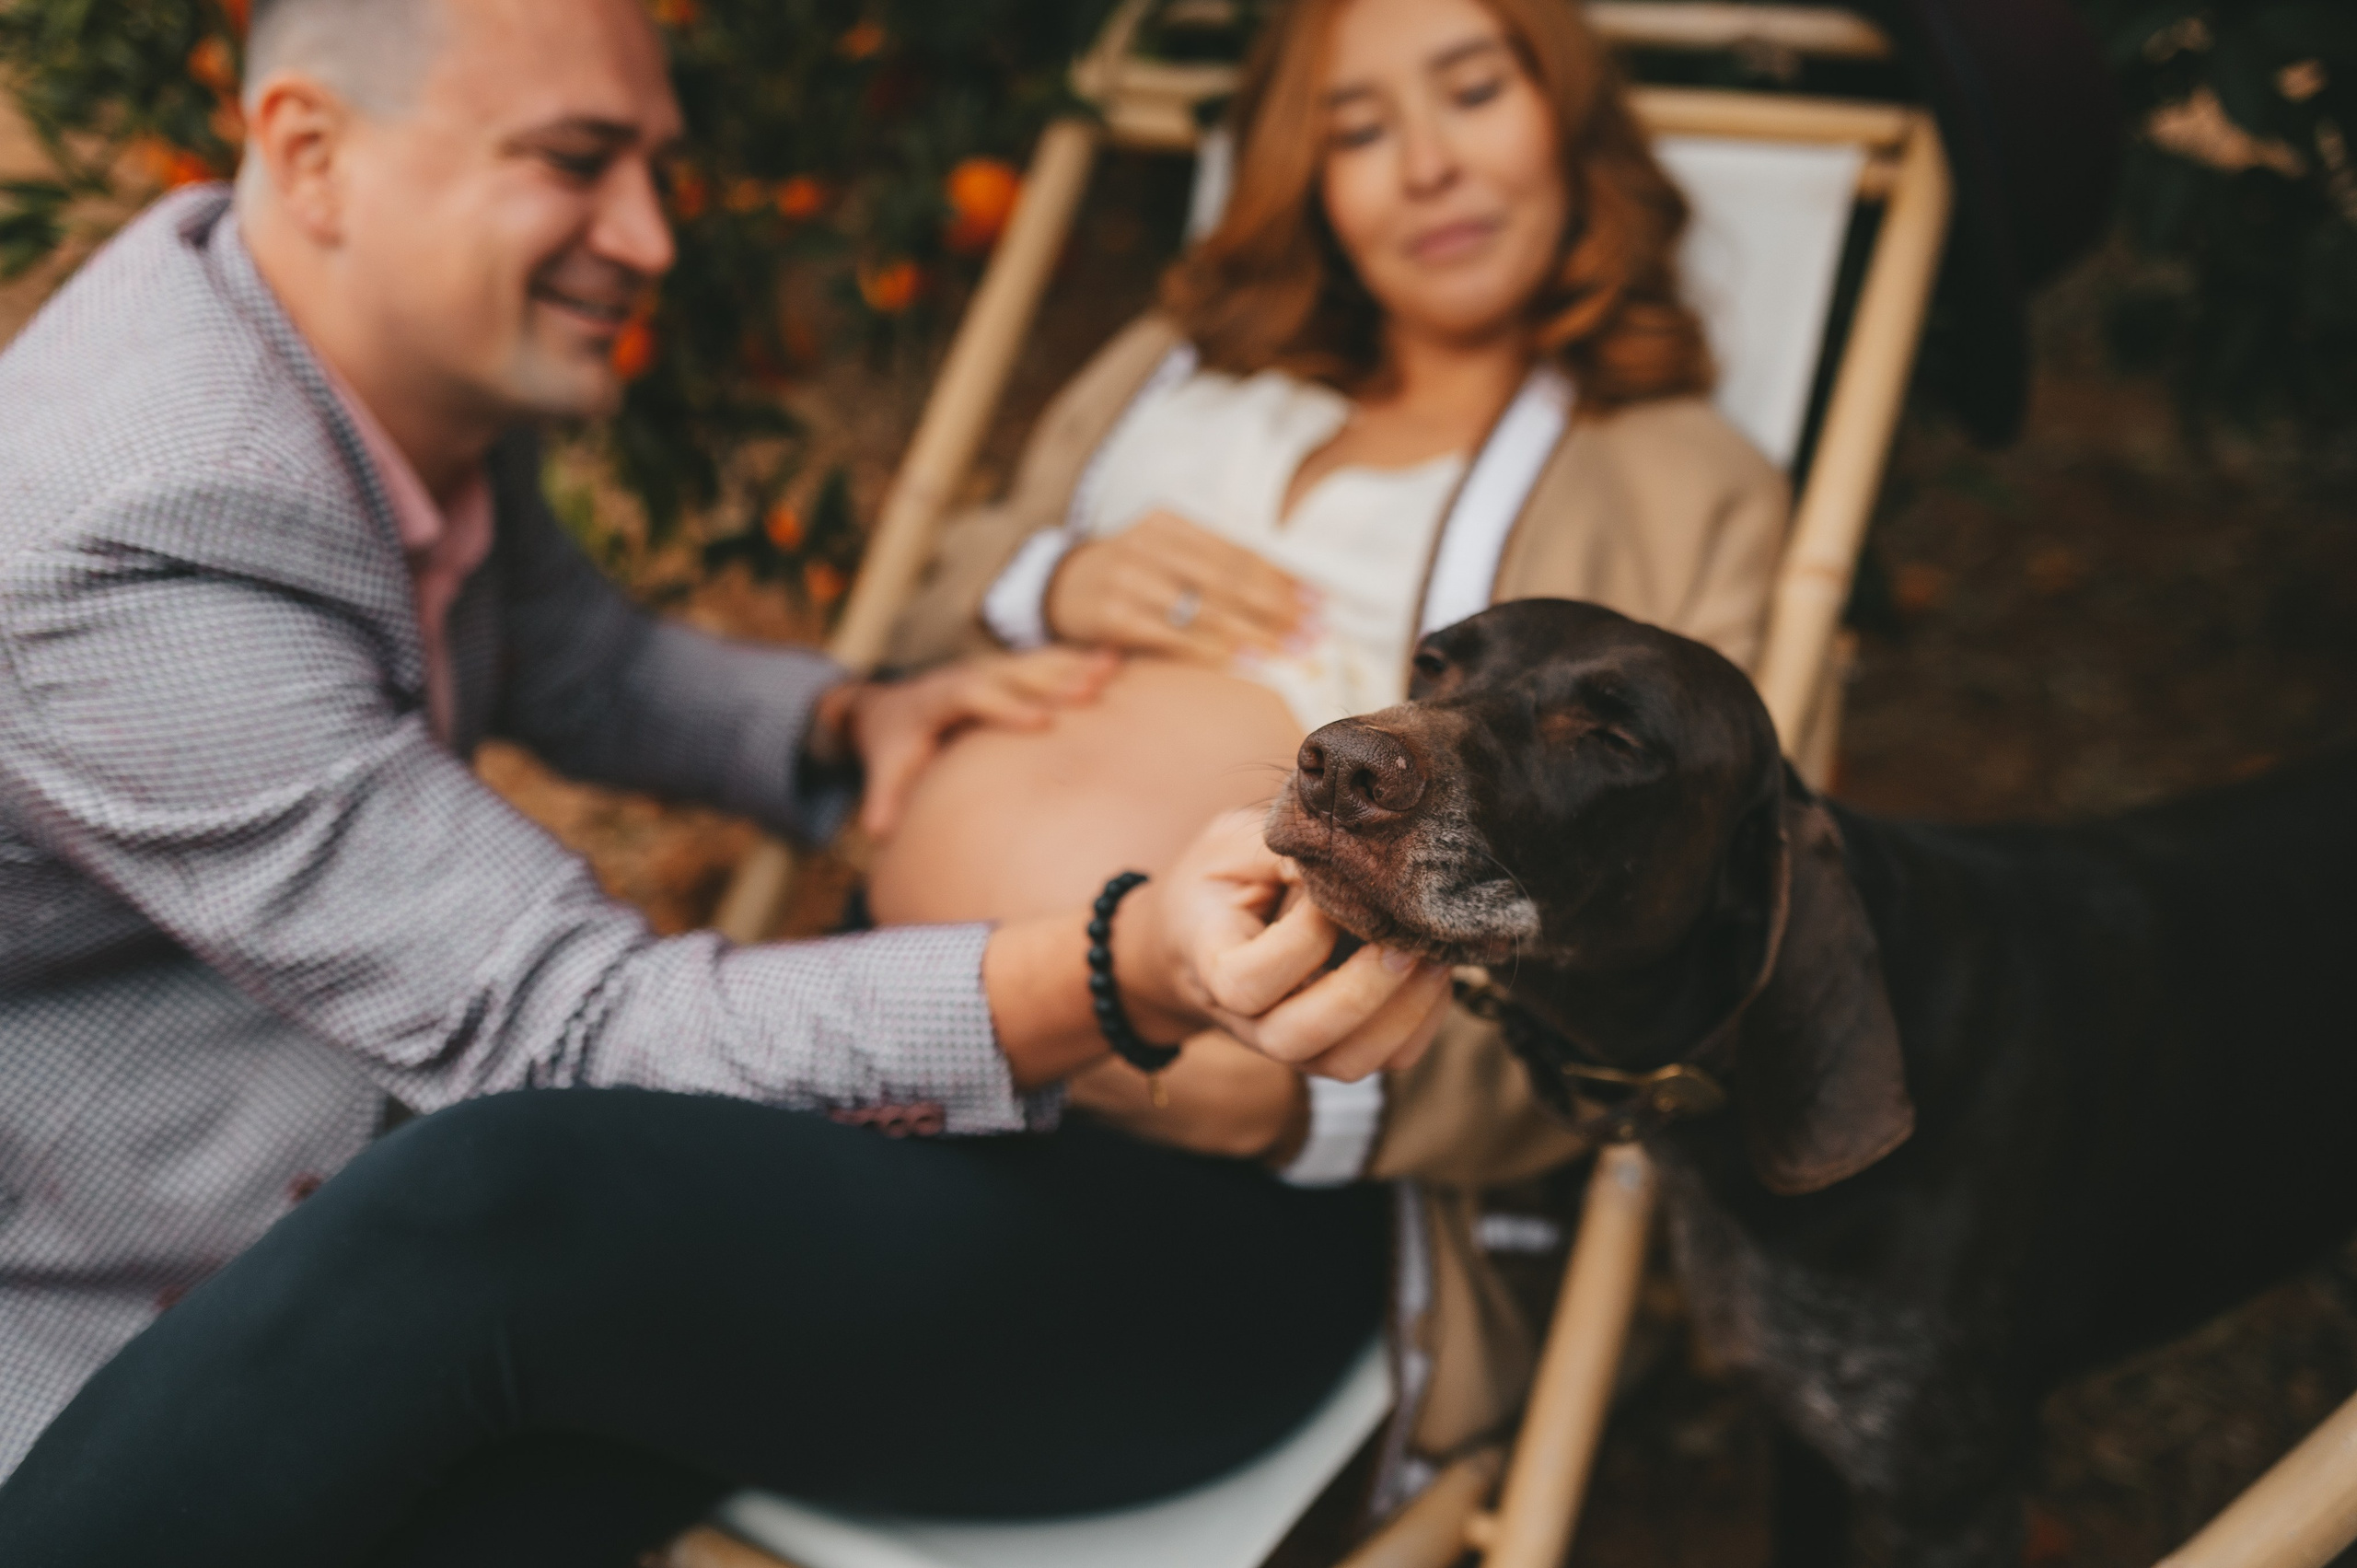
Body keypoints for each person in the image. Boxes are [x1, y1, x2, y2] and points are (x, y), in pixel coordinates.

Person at [0, 0, 1455, 1562]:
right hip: (123, 1324)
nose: (649, 238)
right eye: (575, 161)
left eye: (654, 169)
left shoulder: (362, 352)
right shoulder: (135, 530)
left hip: (412, 1210)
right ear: (311, 152)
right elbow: (566, 1029)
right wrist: (1120, 966)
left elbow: (582, 661)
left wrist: (841, 725)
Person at [872, 0, 1791, 1476]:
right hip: (881, 1004)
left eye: (1473, 92)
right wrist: (1050, 577)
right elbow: (906, 621)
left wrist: (1285, 1099)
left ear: (1565, 115)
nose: (1425, 166)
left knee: (581, 1241)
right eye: (1358, 128)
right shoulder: (1182, 363)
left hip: (1207, 1157)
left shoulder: (1683, 482)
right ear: (1307, 175)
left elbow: (1692, 929)